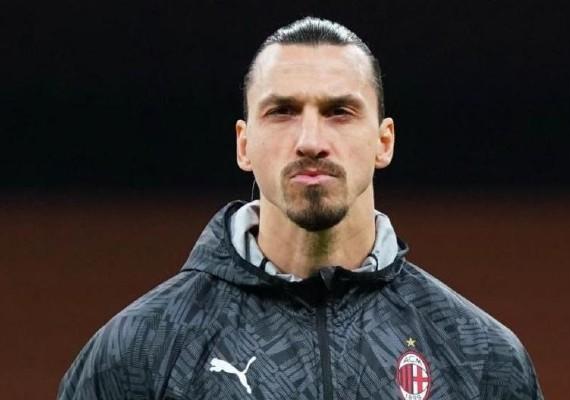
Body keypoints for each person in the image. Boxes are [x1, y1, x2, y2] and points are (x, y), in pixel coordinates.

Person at [58, 17, 543, 400]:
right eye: (282, 111)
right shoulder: (136, 352)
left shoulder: (481, 357)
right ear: (244, 145)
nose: (311, 140)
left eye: (339, 112)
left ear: (384, 141)